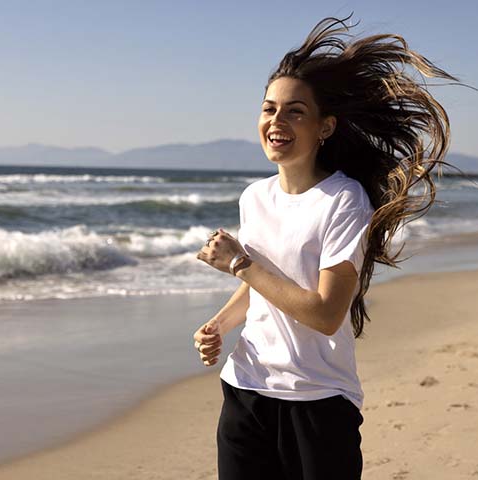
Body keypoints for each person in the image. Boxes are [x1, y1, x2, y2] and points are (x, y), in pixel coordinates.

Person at [194, 14, 458, 480]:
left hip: (317, 402)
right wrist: (219, 324)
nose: (277, 121)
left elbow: (325, 312)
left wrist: (238, 261)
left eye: (295, 111)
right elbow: (266, 284)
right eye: (269, 108)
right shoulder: (254, 197)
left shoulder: (344, 200)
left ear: (325, 127)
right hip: (246, 388)